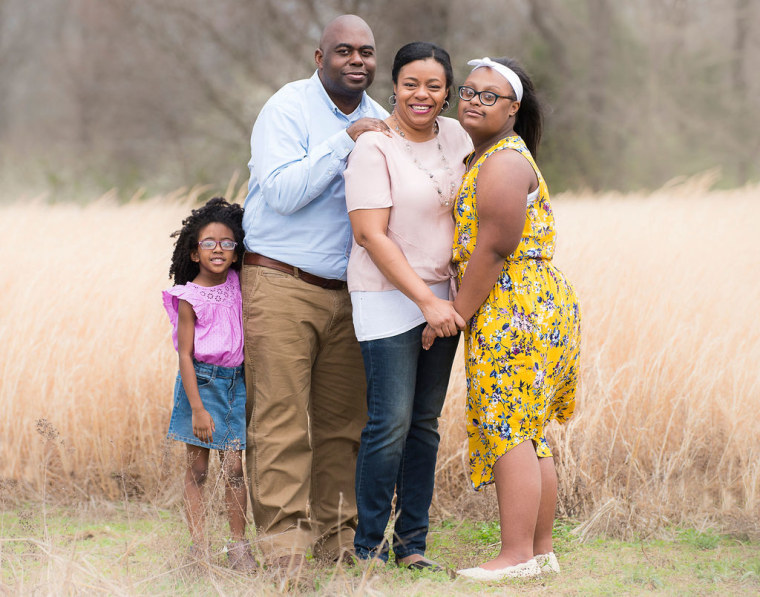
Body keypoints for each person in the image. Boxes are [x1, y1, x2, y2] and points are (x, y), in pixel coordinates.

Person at [240, 15, 389, 572]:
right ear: (319, 56)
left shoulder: (383, 120)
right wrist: (343, 142)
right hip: (280, 282)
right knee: (279, 419)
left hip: (353, 293)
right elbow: (280, 194)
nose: (357, 61)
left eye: (367, 52)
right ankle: (285, 552)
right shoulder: (287, 108)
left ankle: (338, 545)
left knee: (343, 426)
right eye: (344, 50)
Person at [425, 57, 581, 580]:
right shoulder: (491, 155)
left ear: (514, 109)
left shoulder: (506, 163)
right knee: (528, 429)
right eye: (468, 91)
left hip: (514, 303)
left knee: (508, 424)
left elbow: (494, 248)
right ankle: (538, 553)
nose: (473, 100)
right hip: (529, 302)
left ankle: (515, 555)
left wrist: (452, 315)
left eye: (490, 95)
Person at [344, 41, 471, 569]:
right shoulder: (374, 147)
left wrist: (446, 303)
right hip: (387, 296)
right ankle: (368, 547)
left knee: (423, 424)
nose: (422, 95)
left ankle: (412, 545)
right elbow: (371, 235)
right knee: (389, 423)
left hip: (445, 300)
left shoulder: (459, 136)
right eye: (411, 84)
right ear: (392, 87)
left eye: (434, 85)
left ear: (447, 93)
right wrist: (425, 304)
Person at [163, 197, 257, 572]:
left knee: (234, 469)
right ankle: (198, 548)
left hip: (235, 384)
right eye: (208, 243)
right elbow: (185, 355)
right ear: (195, 252)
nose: (218, 248)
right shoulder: (189, 295)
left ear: (237, 252)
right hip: (200, 383)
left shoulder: (239, 282)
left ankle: (238, 547)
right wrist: (198, 409)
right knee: (198, 470)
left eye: (227, 243)